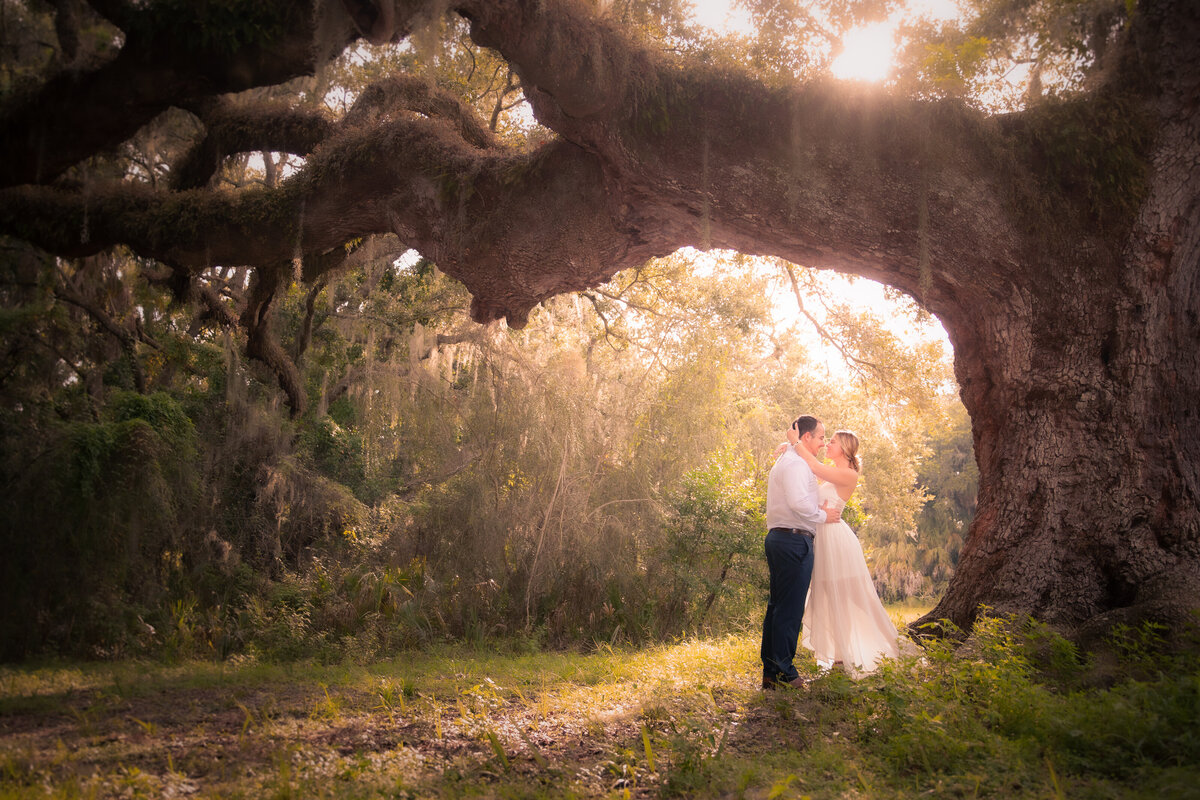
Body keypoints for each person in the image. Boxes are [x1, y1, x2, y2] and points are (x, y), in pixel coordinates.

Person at [791, 430, 901, 676]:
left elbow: (813, 464)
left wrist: (794, 443)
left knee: (852, 597)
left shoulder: (848, 474)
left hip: (838, 542)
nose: (827, 444)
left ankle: (878, 646)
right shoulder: (831, 478)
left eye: (832, 442)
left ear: (845, 447)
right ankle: (840, 657)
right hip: (824, 540)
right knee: (830, 597)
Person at [760, 415, 841, 689]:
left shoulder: (790, 460)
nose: (822, 443)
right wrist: (823, 515)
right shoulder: (795, 465)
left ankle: (771, 673)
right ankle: (785, 672)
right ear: (806, 437)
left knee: (777, 607)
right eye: (820, 437)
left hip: (782, 539)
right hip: (793, 541)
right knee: (789, 610)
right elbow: (798, 503)